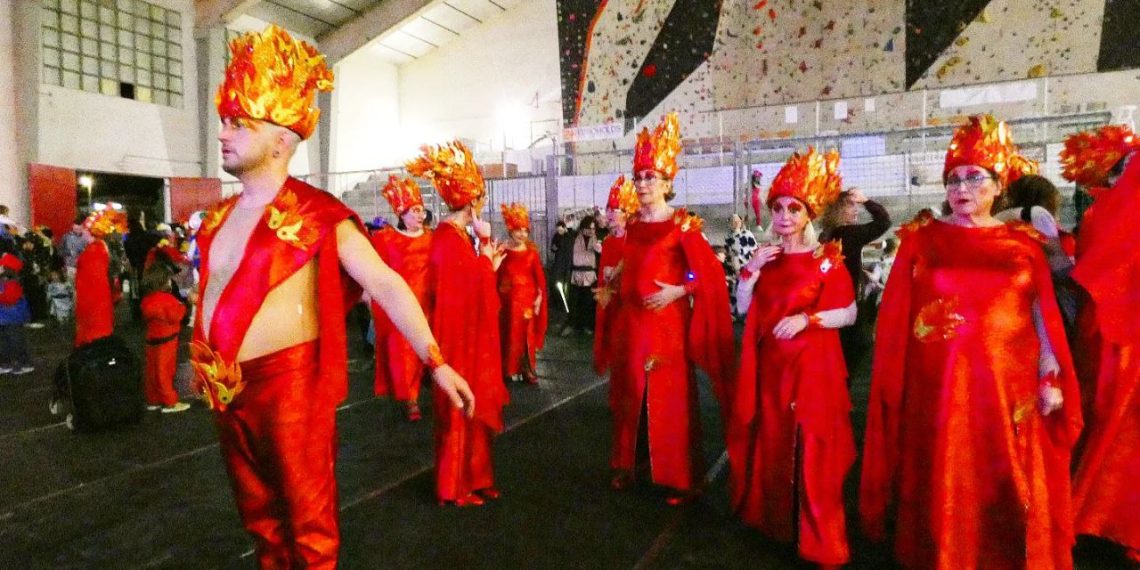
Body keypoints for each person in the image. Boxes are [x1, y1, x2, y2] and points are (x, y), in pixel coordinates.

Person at [196, 26, 472, 567]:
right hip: (227, 393)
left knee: (309, 526)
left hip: (289, 389)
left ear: (281, 139)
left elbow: (385, 283)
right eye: (224, 121)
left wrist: (434, 360)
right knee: (261, 525)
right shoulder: (218, 218)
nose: (223, 134)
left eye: (238, 123)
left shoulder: (317, 213)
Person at [860, 114, 1082, 569]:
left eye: (975, 177)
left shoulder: (1023, 245)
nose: (962, 187)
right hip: (939, 388)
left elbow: (1043, 316)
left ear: (998, 186)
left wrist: (1050, 374)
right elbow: (897, 318)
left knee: (1007, 476)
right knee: (944, 473)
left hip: (1008, 391)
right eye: (954, 179)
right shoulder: (921, 240)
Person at [729, 147, 854, 568]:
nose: (783, 215)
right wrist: (750, 271)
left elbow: (850, 312)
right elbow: (744, 308)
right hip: (773, 371)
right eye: (778, 207)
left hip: (813, 371)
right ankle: (777, 521)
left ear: (808, 215)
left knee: (812, 446)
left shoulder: (826, 260)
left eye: (793, 208)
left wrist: (809, 319)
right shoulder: (767, 259)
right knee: (777, 441)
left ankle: (815, 531)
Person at [607, 112, 735, 504]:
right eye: (640, 177)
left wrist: (680, 291)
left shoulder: (684, 226)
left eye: (652, 178)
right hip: (633, 325)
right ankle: (629, 463)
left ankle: (679, 476)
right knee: (631, 393)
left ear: (667, 183)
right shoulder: (631, 227)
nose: (644, 184)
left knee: (670, 398)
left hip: (667, 327)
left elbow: (711, 276)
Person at [407, 140, 507, 508]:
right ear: (473, 202)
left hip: (468, 338)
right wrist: (487, 261)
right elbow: (465, 290)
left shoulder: (456, 238)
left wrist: (484, 259)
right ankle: (454, 485)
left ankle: (476, 477)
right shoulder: (450, 240)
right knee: (457, 411)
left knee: (473, 408)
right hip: (455, 341)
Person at [1061, 124, 1140, 564]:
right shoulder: (1104, 213)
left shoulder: (1100, 213)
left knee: (1108, 419)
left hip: (1111, 331)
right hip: (1116, 331)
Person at [368, 175, 433, 422]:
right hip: (401, 305)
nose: (420, 215)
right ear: (402, 214)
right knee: (404, 351)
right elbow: (376, 271)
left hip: (426, 303)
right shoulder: (386, 239)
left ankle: (424, 387)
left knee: (426, 349)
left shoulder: (431, 238)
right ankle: (411, 398)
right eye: (415, 211)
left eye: (421, 210)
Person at [818, 188, 891, 372]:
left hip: (832, 301)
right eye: (851, 205)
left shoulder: (828, 234)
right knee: (859, 345)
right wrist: (865, 200)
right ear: (838, 209)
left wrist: (861, 272)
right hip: (848, 302)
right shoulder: (849, 232)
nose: (857, 209)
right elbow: (884, 222)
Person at [497, 202, 547, 384]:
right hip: (507, 304)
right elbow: (495, 276)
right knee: (508, 335)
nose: (522, 234)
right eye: (519, 230)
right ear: (510, 229)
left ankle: (527, 369)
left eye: (525, 231)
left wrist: (539, 299)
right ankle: (508, 369)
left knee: (527, 337)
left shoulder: (532, 253)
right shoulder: (502, 251)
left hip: (527, 303)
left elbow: (540, 280)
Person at [593, 175, 638, 375]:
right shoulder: (609, 242)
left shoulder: (636, 240)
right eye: (609, 210)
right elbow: (603, 276)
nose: (610, 215)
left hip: (630, 305)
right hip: (612, 304)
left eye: (615, 210)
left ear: (627, 213)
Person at [140, 264, 190, 413]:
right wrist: (185, 305)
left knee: (152, 372)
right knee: (165, 371)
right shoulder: (168, 300)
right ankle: (170, 401)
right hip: (167, 340)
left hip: (152, 340)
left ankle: (153, 399)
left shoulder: (147, 300)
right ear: (164, 282)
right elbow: (177, 315)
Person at [74, 207, 125, 347]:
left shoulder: (94, 250)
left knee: (94, 335)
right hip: (100, 299)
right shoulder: (101, 247)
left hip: (93, 301)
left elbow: (91, 280)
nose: (82, 232)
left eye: (84, 229)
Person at [561, 215, 600, 336]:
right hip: (576, 274)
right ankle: (572, 324)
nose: (591, 231)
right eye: (589, 228)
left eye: (593, 228)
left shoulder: (598, 239)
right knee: (574, 301)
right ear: (583, 228)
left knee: (588, 303)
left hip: (590, 275)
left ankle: (587, 326)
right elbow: (566, 237)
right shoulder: (574, 237)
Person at [0, 253, 33, 375]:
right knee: (4, 342)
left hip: (13, 318)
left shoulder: (13, 283)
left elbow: (10, 299)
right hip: (4, 318)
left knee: (16, 341)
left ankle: (24, 363)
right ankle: (6, 363)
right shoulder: (5, 282)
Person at [724, 213, 757, 318]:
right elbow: (728, 252)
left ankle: (749, 313)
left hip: (746, 263)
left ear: (741, 222)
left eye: (737, 221)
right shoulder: (728, 236)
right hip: (734, 265)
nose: (735, 223)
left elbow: (753, 248)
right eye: (733, 221)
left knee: (748, 288)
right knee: (735, 288)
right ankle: (736, 312)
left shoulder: (747, 233)